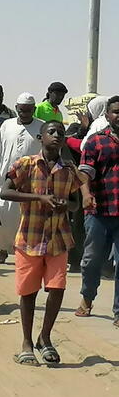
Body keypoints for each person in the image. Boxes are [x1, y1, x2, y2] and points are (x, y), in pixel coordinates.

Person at [1, 120, 86, 366]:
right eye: (52, 132)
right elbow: (5, 192)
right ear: (41, 138)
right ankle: (26, 343)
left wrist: (65, 205)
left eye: (61, 132)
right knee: (28, 293)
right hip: (30, 238)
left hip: (58, 238)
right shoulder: (26, 164)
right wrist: (38, 198)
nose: (57, 135)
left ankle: (45, 337)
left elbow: (75, 203)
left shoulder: (68, 170)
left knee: (57, 289)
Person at [75, 96, 119, 327]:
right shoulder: (96, 141)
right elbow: (84, 172)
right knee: (91, 260)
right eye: (116, 112)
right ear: (107, 115)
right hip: (98, 210)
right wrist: (85, 194)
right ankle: (87, 297)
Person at [0, 93, 44, 264]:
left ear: (33, 109)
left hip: (32, 181)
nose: (24, 113)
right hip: (7, 179)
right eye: (21, 110)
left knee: (27, 218)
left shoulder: (41, 127)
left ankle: (23, 253)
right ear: (17, 108)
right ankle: (4, 249)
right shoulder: (7, 125)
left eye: (28, 110)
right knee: (5, 214)